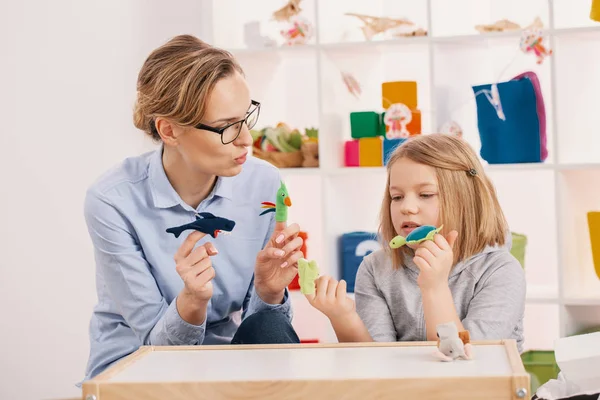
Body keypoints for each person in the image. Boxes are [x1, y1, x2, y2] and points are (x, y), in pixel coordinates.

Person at [81, 34, 303, 381]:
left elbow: (263, 331)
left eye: (246, 117)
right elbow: (154, 349)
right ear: (169, 130)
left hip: (226, 365)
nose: (246, 139)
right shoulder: (112, 201)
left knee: (270, 331)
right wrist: (192, 302)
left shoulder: (263, 183)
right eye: (225, 127)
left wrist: (269, 291)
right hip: (137, 366)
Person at [305, 134, 526, 351]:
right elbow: (377, 368)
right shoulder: (375, 269)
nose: (406, 207)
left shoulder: (500, 271)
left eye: (426, 194)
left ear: (465, 201)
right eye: (397, 197)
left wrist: (435, 287)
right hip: (404, 388)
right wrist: (344, 318)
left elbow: (465, 364)